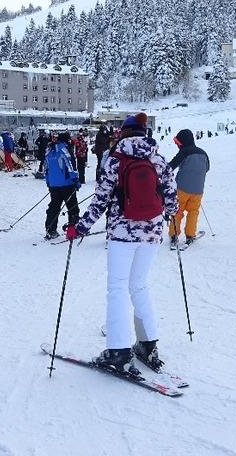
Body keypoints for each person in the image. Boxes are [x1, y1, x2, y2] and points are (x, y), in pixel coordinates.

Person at [65, 113, 177, 372]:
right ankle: (148, 345)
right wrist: (166, 216)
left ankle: (118, 351)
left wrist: (80, 227)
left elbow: (100, 200)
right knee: (139, 285)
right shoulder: (158, 159)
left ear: (123, 133)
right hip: (151, 233)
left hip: (122, 234)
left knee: (116, 288)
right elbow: (171, 199)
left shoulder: (115, 160)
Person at [168, 129, 210, 248]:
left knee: (178, 211)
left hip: (182, 189)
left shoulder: (184, 152)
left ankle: (174, 234)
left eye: (178, 143)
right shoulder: (203, 153)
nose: (178, 146)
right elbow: (207, 168)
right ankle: (190, 235)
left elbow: (171, 166)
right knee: (193, 212)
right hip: (198, 190)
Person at [44, 132, 80, 239]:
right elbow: (70, 165)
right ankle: (72, 231)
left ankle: (50, 230)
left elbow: (46, 167)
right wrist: (75, 179)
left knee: (54, 207)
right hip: (66, 184)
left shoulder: (49, 150)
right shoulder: (64, 149)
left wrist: (48, 182)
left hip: (53, 184)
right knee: (72, 207)